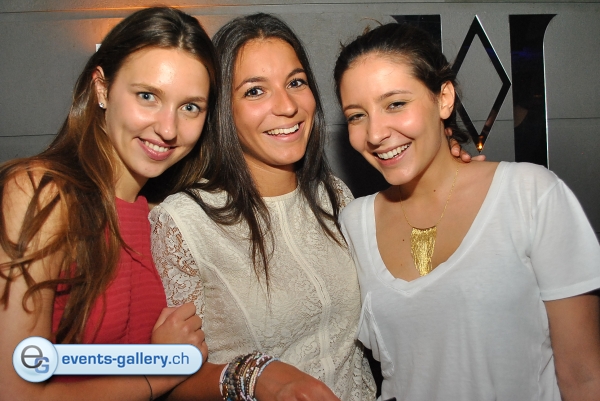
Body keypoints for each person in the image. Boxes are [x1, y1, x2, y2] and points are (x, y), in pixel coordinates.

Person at [333, 22, 600, 401]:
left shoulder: (530, 195)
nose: (375, 134)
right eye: (357, 115)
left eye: (395, 104)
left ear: (444, 98)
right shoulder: (353, 224)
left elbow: (584, 377)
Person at [150, 12, 377, 401]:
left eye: (295, 82)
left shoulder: (335, 196)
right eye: (255, 91)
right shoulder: (183, 223)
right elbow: (172, 381)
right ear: (223, 110)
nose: (287, 106)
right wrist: (256, 377)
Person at [0, 7, 217, 400]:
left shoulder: (162, 216)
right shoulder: (41, 193)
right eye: (147, 96)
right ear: (102, 89)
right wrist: (161, 368)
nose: (168, 129)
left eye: (190, 107)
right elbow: (18, 389)